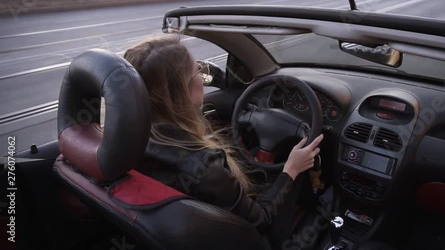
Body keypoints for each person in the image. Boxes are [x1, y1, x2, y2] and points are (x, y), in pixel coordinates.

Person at [124, 35, 323, 248]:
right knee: (298, 174)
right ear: (182, 92)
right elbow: (262, 221)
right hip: (250, 240)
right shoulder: (204, 167)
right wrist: (292, 168)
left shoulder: (126, 142)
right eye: (198, 70)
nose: (202, 77)